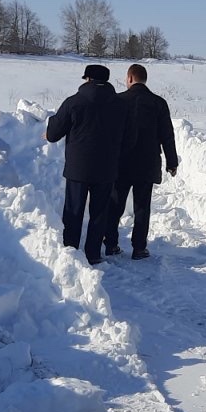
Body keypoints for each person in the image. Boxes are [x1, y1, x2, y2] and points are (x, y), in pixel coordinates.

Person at [45, 64, 130, 265]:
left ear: (88, 79)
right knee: (99, 212)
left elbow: (53, 134)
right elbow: (130, 137)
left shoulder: (73, 103)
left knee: (74, 211)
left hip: (78, 168)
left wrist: (49, 130)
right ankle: (93, 254)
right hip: (107, 168)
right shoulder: (120, 105)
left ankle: (71, 252)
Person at [111, 64, 179, 260]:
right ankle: (139, 248)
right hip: (147, 163)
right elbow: (167, 135)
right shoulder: (158, 103)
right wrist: (171, 162)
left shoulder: (119, 101)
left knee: (115, 203)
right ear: (144, 79)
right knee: (142, 206)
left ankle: (111, 243)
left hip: (121, 163)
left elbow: (111, 133)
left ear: (130, 78)